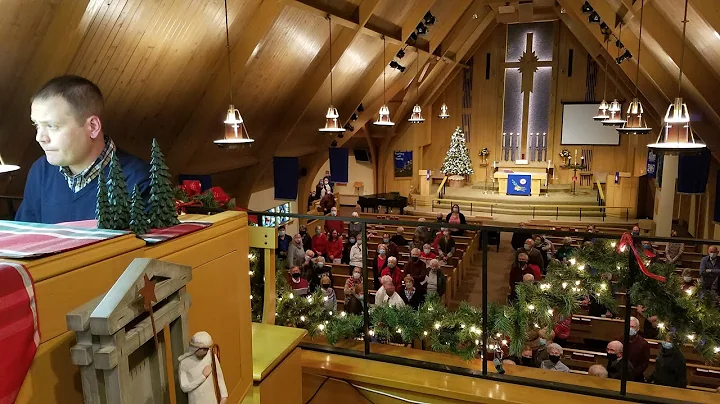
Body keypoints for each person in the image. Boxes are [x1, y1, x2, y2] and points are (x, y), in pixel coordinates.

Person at [15, 75, 150, 224]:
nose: (40, 137)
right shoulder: (40, 172)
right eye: (37, 125)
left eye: (52, 126)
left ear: (92, 127)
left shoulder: (140, 181)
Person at [178, 331, 228, 404]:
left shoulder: (210, 356)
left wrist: (224, 396)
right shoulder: (184, 363)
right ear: (196, 348)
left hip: (211, 400)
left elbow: (219, 377)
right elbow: (184, 387)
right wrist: (203, 376)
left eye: (208, 349)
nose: (207, 351)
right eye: (204, 349)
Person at [624, 316, 650, 382]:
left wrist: (634, 373)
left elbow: (645, 362)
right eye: (629, 326)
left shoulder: (643, 343)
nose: (630, 328)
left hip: (636, 376)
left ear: (638, 328)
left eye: (633, 327)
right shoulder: (619, 339)